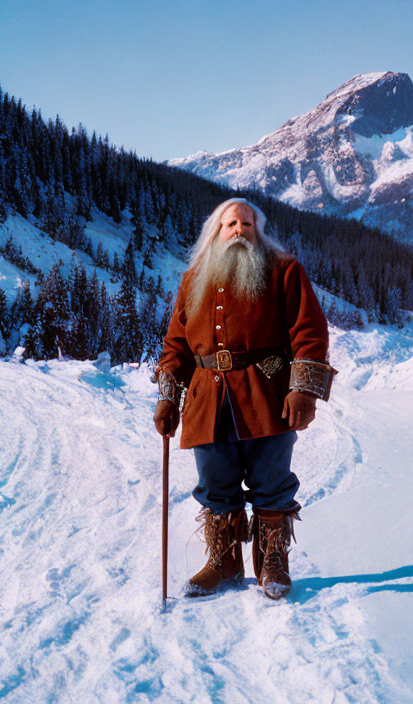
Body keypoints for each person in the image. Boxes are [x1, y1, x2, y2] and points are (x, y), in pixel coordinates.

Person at [153, 197, 336, 600]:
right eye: (230, 223)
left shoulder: (283, 271)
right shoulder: (193, 279)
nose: (239, 230)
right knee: (215, 483)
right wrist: (169, 396)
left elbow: (309, 331)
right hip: (206, 397)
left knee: (271, 481)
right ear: (216, 232)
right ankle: (225, 561)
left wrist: (302, 389)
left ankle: (272, 561)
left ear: (258, 230)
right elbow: (176, 345)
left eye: (247, 224)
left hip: (265, 393)